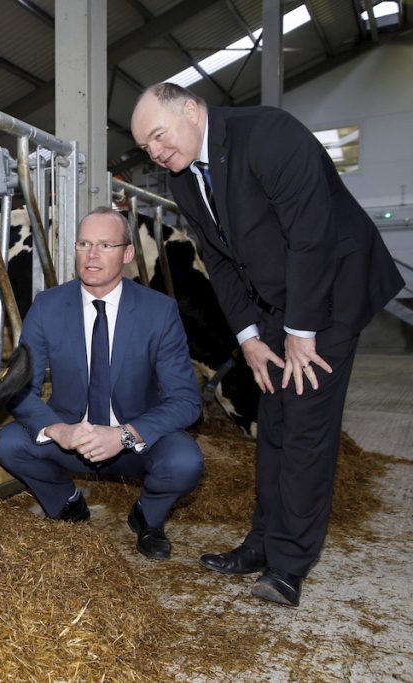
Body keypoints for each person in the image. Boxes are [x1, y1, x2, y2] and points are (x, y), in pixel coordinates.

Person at [130, 83, 403, 606]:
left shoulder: (269, 134)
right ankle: (261, 544)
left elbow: (311, 235)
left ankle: (290, 564)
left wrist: (302, 332)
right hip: (278, 301)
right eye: (146, 149)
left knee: (304, 426)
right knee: (273, 421)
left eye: (159, 137)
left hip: (333, 288)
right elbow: (222, 261)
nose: (156, 152)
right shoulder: (183, 177)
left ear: (190, 110)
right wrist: (250, 338)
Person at [0, 207, 203, 560]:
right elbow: (19, 386)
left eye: (106, 245)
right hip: (71, 439)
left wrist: (124, 434)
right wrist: (58, 429)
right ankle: (65, 503)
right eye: (84, 243)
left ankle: (148, 518)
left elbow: (186, 400)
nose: (91, 256)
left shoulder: (159, 311)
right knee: (9, 442)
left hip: (135, 441)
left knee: (185, 462)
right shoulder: (47, 306)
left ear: (128, 253)